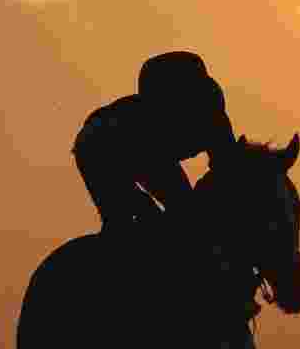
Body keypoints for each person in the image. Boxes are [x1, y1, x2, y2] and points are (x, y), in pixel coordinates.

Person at [72, 51, 236, 239]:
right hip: (99, 151)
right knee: (127, 223)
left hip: (142, 153)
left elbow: (228, 167)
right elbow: (159, 176)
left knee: (185, 216)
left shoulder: (211, 111)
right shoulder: (138, 127)